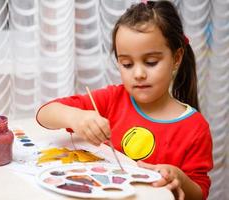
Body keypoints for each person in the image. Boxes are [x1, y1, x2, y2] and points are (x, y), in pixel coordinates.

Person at [36, 1, 213, 200]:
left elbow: (200, 193)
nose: (138, 73)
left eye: (151, 62)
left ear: (177, 57)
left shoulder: (195, 128)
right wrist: (75, 117)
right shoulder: (112, 99)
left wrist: (180, 178)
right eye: (127, 64)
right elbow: (45, 114)